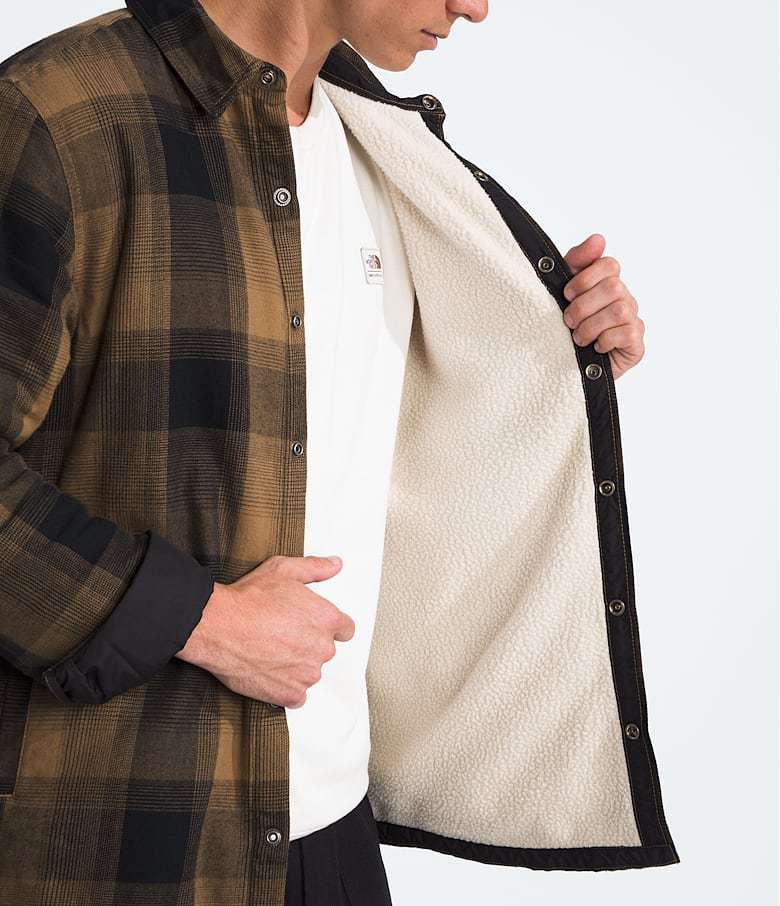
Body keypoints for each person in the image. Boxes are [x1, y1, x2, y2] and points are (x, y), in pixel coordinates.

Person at [0, 2, 668, 905]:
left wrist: (558, 353)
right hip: (127, 839)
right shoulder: (61, 116)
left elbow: (372, 429)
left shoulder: (383, 143)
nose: (475, 7)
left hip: (332, 831)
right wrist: (203, 620)